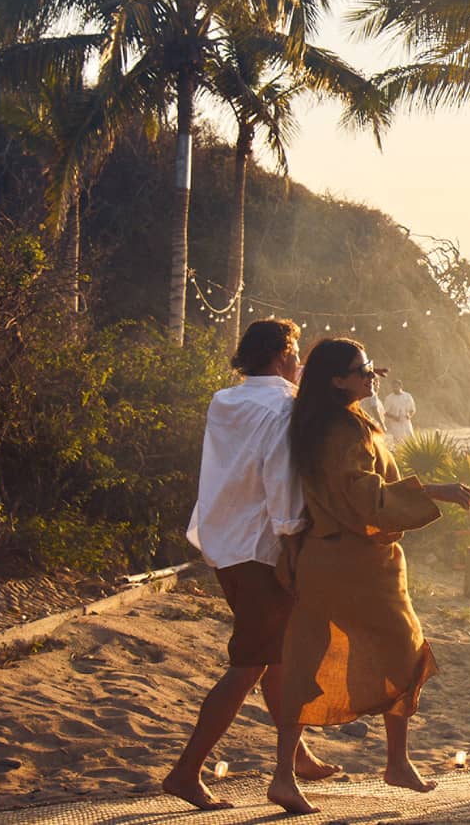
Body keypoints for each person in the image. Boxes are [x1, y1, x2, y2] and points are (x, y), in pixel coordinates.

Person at [267, 338, 470, 814]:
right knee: (401, 652)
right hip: (356, 565)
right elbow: (366, 499)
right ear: (338, 380)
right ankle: (394, 762)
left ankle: (289, 774)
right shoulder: (342, 431)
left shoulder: (322, 423)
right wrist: (434, 491)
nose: (372, 376)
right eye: (363, 370)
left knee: (307, 660)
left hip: (326, 560)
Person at [163, 319, 339, 810]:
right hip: (264, 550)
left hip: (224, 541)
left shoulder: (227, 400)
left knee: (274, 656)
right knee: (250, 664)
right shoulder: (283, 406)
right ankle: (186, 770)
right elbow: (280, 478)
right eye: (296, 353)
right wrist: (292, 541)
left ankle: (297, 756)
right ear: (283, 355)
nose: (299, 361)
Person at [382, 379, 417, 444]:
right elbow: (384, 412)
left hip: (406, 421)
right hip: (395, 423)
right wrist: (394, 417)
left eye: (396, 387)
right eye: (393, 387)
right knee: (398, 441)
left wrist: (409, 415)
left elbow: (412, 409)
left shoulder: (407, 396)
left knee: (411, 439)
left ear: (400, 386)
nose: (395, 388)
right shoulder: (389, 398)